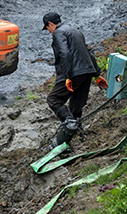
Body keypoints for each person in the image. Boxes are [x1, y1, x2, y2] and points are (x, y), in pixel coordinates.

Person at [42, 12, 104, 146]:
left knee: (54, 99)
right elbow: (89, 52)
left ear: (51, 24)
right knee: (76, 104)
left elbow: (64, 53)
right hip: (87, 71)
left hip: (74, 73)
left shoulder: (59, 33)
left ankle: (70, 126)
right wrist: (97, 74)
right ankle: (78, 131)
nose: (49, 32)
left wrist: (67, 76)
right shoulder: (75, 31)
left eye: (48, 29)